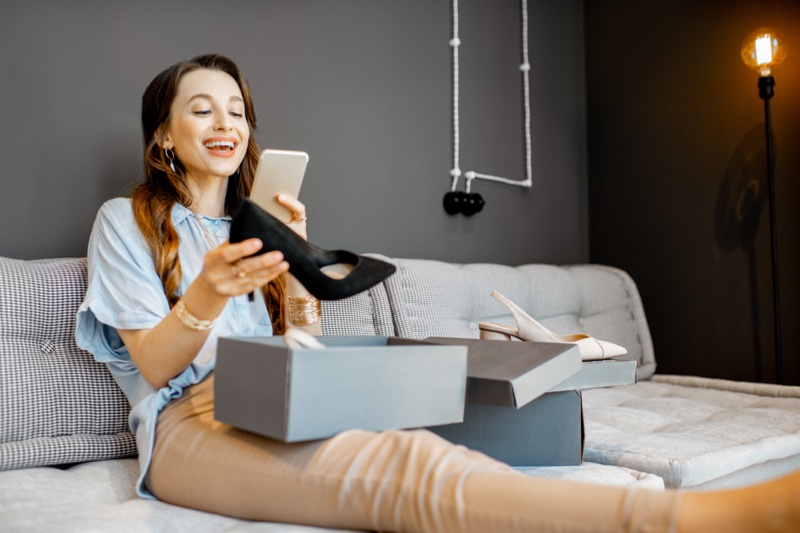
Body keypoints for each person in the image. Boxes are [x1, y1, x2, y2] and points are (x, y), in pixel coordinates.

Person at [76, 53, 800, 533]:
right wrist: (205, 293)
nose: (226, 122)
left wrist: (295, 268)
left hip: (284, 394)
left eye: (236, 109)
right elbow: (160, 367)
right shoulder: (125, 221)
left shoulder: (251, 223)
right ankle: (690, 521)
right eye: (201, 109)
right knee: (401, 473)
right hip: (188, 423)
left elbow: (298, 339)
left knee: (434, 438)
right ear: (164, 137)